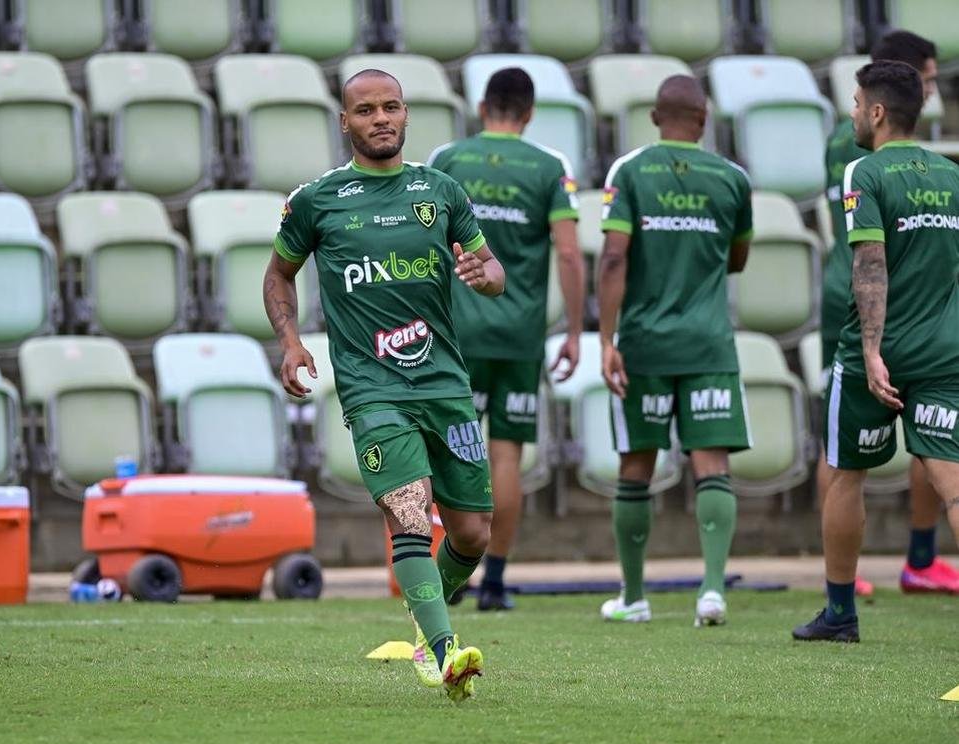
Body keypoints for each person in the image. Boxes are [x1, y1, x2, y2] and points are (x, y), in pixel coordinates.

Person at [264, 69, 505, 701]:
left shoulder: (441, 190)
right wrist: (290, 341)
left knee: (475, 533)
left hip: (445, 383)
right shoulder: (317, 200)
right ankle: (444, 653)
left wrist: (485, 273)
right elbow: (279, 276)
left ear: (405, 114)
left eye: (391, 106)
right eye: (365, 109)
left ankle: (427, 625)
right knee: (408, 514)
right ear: (344, 122)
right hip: (373, 388)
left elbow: (493, 267)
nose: (380, 118)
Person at [794, 61, 959, 642]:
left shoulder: (864, 170)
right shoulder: (951, 173)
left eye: (858, 102)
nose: (853, 112)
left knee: (846, 475)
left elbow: (868, 262)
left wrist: (870, 349)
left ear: (879, 112)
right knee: (954, 485)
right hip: (944, 352)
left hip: (879, 351)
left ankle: (840, 612)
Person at [597, 76, 753, 627]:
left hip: (644, 343)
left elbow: (614, 259)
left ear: (657, 117)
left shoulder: (631, 171)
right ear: (705, 120)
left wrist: (606, 339)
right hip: (709, 341)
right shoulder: (733, 178)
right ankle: (712, 590)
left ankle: (634, 596)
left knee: (636, 466)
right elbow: (737, 259)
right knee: (711, 465)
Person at [427, 67, 584, 611]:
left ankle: (450, 573)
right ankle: (494, 581)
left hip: (455, 335)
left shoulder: (448, 158)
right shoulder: (549, 167)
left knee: (449, 452)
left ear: (481, 106)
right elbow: (567, 252)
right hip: (519, 336)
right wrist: (575, 331)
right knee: (507, 455)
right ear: (530, 112)